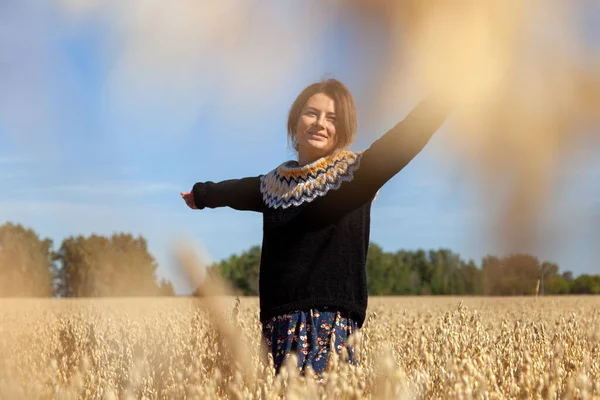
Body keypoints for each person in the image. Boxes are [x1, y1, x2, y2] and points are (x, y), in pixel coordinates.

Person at [181, 79, 450, 377]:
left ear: (343, 129)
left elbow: (405, 137)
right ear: (295, 122)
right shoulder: (272, 185)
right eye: (311, 113)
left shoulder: (355, 175)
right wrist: (201, 194)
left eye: (332, 118)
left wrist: (447, 93)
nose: (320, 123)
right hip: (277, 328)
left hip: (329, 324)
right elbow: (235, 191)